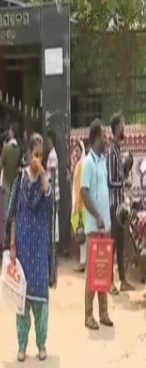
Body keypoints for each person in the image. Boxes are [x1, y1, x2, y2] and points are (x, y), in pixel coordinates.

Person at [6, 133, 54, 362]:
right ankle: (22, 345)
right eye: (36, 154)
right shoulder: (19, 179)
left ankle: (41, 344)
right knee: (22, 299)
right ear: (28, 154)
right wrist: (13, 245)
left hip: (39, 246)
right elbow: (13, 214)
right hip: (24, 246)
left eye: (41, 155)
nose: (38, 159)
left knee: (41, 299)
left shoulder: (45, 178)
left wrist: (42, 171)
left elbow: (48, 193)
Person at [81, 119, 115, 330]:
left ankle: (103, 313)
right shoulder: (88, 163)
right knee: (93, 271)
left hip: (106, 226)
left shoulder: (102, 160)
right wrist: (97, 214)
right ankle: (88, 315)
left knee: (104, 271)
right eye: (104, 135)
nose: (107, 139)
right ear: (95, 138)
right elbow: (84, 192)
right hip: (94, 227)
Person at [107, 113, 135, 293]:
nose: (124, 128)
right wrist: (124, 183)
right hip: (114, 205)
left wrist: (124, 179)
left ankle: (122, 280)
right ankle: (110, 282)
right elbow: (110, 181)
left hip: (119, 204)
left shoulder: (118, 150)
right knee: (114, 243)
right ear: (116, 128)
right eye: (123, 125)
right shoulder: (112, 152)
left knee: (121, 241)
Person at [0, 124, 22, 230]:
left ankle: (4, 238)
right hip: (15, 182)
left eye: (10, 129)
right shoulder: (18, 148)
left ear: (12, 132)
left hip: (6, 183)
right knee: (13, 213)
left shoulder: (6, 148)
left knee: (5, 213)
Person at [71, 139, 88, 273]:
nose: (75, 152)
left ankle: (84, 262)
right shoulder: (78, 165)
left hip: (82, 206)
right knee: (81, 235)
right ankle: (83, 261)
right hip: (77, 204)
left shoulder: (83, 165)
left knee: (83, 236)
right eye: (74, 150)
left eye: (77, 150)